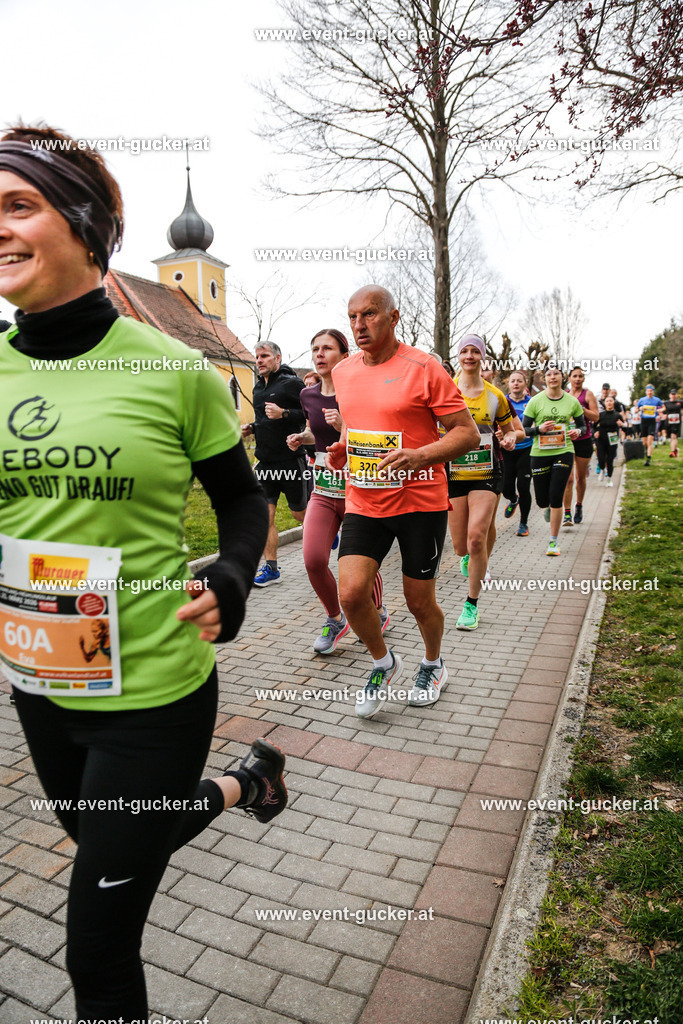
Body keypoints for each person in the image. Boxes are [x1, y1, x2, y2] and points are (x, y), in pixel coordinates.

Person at [0, 124, 287, 1022]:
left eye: (18, 205)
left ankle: (235, 780)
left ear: (86, 226)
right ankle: (248, 784)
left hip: (154, 691)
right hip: (38, 681)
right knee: (104, 839)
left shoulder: (176, 370)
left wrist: (235, 578)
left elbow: (242, 502)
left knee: (96, 942)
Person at [326, 285, 479, 716]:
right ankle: (382, 661)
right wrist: (343, 448)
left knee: (418, 600)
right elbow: (356, 430)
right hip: (365, 499)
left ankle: (433, 663)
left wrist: (420, 456)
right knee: (352, 595)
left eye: (370, 314)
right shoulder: (344, 372)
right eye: (353, 316)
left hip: (420, 503)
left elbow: (466, 434)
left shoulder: (424, 367)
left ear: (393, 318)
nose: (359, 325)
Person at [287, 328, 388, 653]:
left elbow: (378, 436)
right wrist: (300, 438)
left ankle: (377, 610)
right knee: (314, 559)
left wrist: (344, 426)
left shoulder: (360, 391)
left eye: (327, 348)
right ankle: (335, 618)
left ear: (345, 355)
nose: (319, 353)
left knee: (359, 561)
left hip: (358, 489)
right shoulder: (309, 395)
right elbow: (312, 431)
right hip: (324, 489)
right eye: (315, 348)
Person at [447, 336, 519, 629]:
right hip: (453, 473)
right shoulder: (446, 391)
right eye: (464, 350)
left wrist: (512, 437)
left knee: (477, 537)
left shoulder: (495, 396)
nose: (469, 355)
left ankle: (471, 605)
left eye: (475, 351)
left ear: (483, 357)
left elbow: (512, 430)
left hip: (488, 472)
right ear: (459, 356)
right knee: (460, 546)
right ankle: (468, 558)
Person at [242, 340, 308, 585]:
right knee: (265, 518)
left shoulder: (292, 384)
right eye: (257, 356)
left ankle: (328, 528)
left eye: (264, 356)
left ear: (277, 358)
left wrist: (285, 413)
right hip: (266, 464)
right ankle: (271, 569)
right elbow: (264, 420)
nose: (259, 360)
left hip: (291, 461)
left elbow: (310, 415)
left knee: (299, 514)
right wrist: (252, 428)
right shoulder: (258, 388)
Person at [523, 364, 586, 556]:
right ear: (544, 378)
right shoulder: (535, 401)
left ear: (562, 377)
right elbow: (524, 430)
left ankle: (553, 542)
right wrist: (539, 430)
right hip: (539, 453)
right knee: (543, 500)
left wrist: (577, 431)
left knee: (556, 495)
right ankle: (547, 507)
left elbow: (583, 426)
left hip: (563, 450)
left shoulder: (572, 401)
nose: (552, 377)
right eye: (548, 374)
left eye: (556, 374)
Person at [562, 366, 599, 525]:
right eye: (574, 376)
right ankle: (567, 513)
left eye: (580, 376)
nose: (577, 379)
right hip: (567, 441)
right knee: (568, 479)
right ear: (569, 378)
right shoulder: (564, 395)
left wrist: (581, 408)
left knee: (580, 478)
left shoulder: (588, 394)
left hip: (584, 440)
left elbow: (596, 416)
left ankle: (579, 505)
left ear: (583, 379)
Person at [501, 370, 533, 536]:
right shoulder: (502, 401)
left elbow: (539, 425)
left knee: (523, 486)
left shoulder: (532, 402)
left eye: (519, 381)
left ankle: (523, 523)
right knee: (506, 488)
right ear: (509, 384)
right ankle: (513, 500)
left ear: (524, 384)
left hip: (526, 449)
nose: (515, 383)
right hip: (506, 450)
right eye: (512, 381)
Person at [594, 395, 627, 485]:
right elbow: (593, 426)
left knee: (610, 459)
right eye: (607, 401)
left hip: (613, 438)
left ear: (614, 403)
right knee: (601, 457)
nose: (609, 403)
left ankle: (609, 478)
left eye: (611, 401)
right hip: (601, 438)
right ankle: (602, 469)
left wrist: (622, 425)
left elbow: (626, 428)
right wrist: (596, 432)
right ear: (605, 403)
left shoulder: (617, 415)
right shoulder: (601, 415)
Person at [636, 384, 665, 465]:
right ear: (646, 391)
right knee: (644, 442)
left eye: (651, 391)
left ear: (653, 392)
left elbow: (664, 407)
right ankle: (647, 451)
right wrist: (640, 409)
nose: (649, 392)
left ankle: (648, 459)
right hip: (644, 421)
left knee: (650, 441)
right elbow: (635, 410)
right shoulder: (642, 400)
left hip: (652, 421)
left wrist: (660, 410)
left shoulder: (656, 400)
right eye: (648, 391)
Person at [663, 387, 682, 457]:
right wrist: (662, 415)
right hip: (668, 422)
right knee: (671, 437)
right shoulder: (666, 403)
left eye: (674, 394)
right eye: (672, 394)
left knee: (673, 436)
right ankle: (675, 450)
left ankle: (672, 452)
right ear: (669, 395)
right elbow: (661, 409)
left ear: (676, 395)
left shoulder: (680, 402)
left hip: (676, 421)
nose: (673, 395)